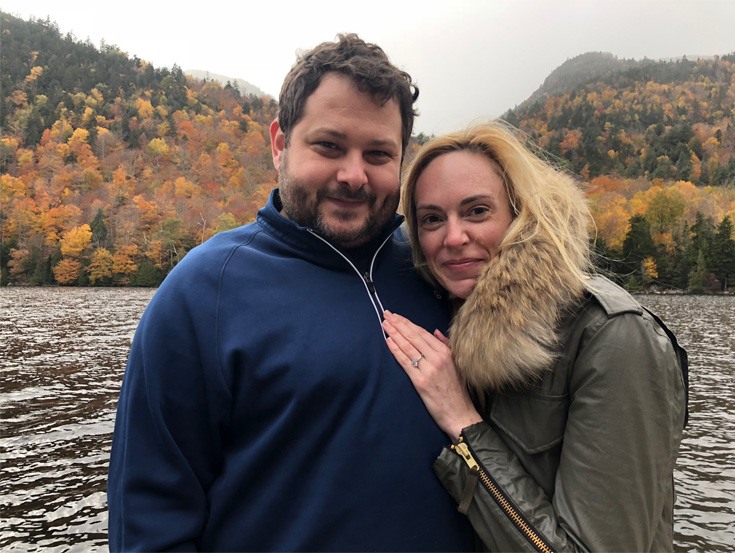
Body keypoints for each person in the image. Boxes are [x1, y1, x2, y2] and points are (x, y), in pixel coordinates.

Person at [107, 34, 476, 552]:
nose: (353, 175)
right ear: (280, 142)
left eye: (377, 154)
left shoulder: (437, 270)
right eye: (329, 146)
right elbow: (149, 517)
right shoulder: (204, 292)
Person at [381, 121, 688, 552]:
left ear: (520, 213)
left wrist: (463, 423)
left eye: (477, 211)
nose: (453, 237)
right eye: (432, 219)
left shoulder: (613, 336)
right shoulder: (449, 313)